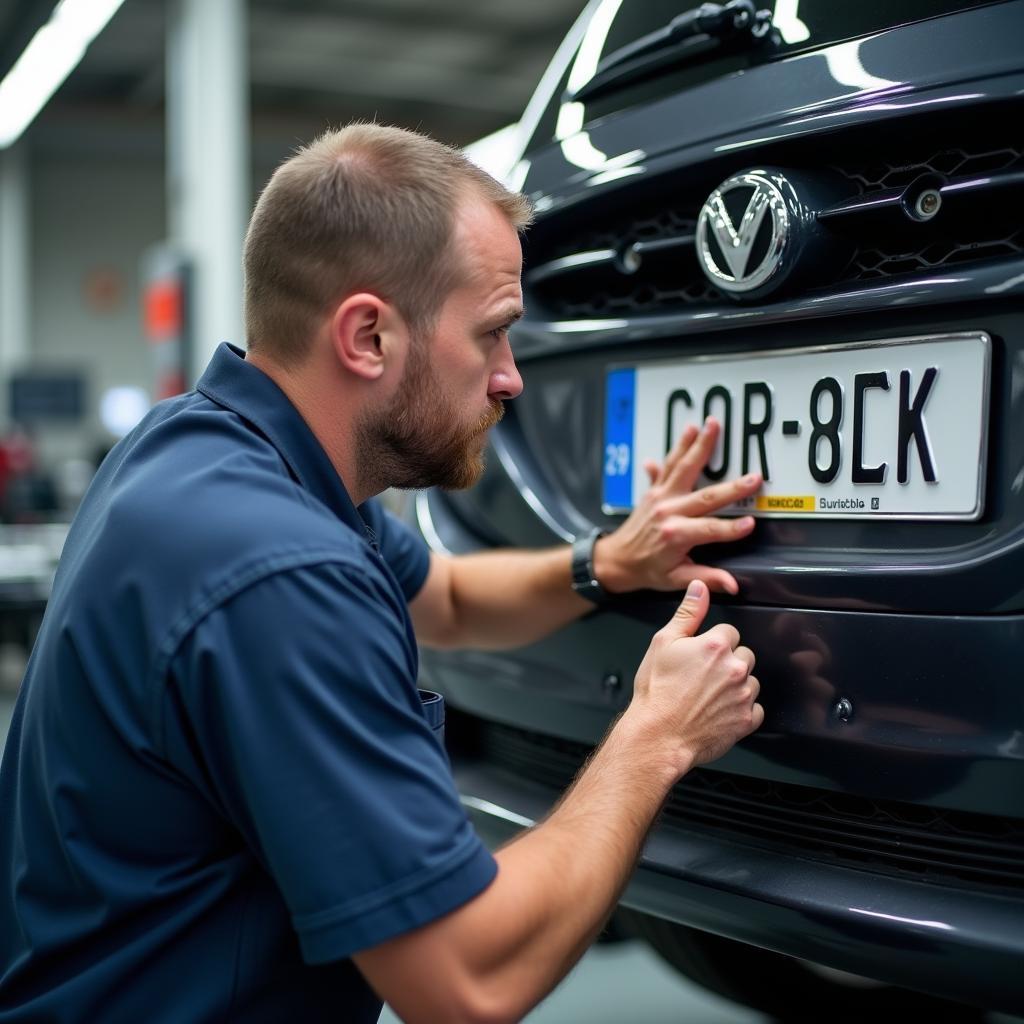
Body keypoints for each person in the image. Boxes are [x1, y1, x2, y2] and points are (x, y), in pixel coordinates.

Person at [0, 124, 763, 1023]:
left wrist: (605, 562)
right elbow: (466, 980)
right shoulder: (280, 574)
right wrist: (657, 737)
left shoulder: (212, 449)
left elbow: (446, 599)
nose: (511, 379)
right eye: (492, 335)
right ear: (368, 336)